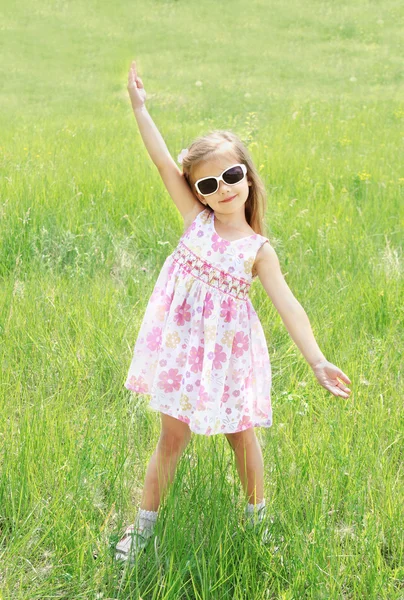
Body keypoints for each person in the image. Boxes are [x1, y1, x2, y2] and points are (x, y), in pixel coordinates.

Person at [115, 60, 352, 563]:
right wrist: (140, 107)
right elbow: (161, 161)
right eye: (207, 184)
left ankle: (256, 520)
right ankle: (143, 529)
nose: (222, 189)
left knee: (241, 439)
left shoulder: (257, 250)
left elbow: (289, 305)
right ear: (196, 192)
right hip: (181, 353)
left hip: (227, 357)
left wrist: (316, 360)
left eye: (230, 176)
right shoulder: (194, 221)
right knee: (171, 437)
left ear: (246, 174)